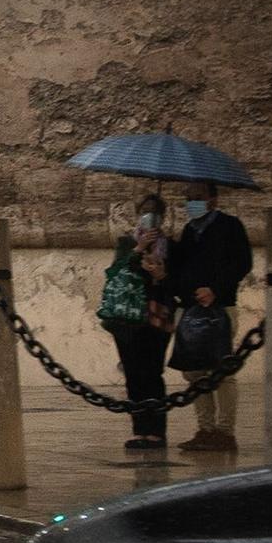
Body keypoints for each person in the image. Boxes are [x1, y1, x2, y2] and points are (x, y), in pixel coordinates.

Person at [167, 180, 253, 452]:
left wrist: (216, 289)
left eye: (198, 197)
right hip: (192, 310)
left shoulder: (230, 226)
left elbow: (241, 263)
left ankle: (225, 432)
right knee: (194, 371)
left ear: (213, 199)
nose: (192, 202)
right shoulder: (189, 232)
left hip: (220, 307)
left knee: (221, 371)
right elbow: (180, 269)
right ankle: (205, 428)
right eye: (188, 197)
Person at [99, 194, 174, 450]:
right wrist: (139, 249)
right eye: (145, 211)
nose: (149, 215)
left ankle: (157, 430)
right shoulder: (126, 243)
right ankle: (140, 428)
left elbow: (175, 283)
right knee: (133, 373)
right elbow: (114, 272)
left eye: (154, 211)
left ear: (163, 216)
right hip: (128, 317)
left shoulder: (170, 246)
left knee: (152, 372)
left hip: (155, 315)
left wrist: (161, 275)